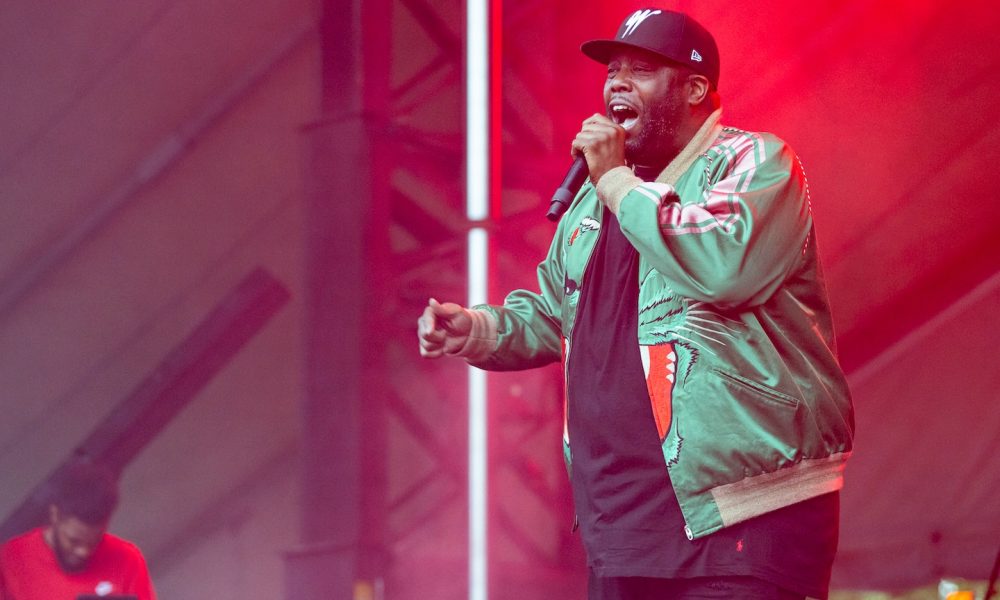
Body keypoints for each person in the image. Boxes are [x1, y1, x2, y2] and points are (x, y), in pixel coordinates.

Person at [418, 7, 855, 600]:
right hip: (622, 525)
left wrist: (618, 182)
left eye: (642, 70)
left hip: (745, 515)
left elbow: (724, 267)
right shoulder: (594, 203)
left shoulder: (754, 163)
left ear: (696, 87)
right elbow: (556, 315)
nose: (616, 84)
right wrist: (475, 329)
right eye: (612, 71)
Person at [0, 460, 156, 600]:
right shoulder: (9, 560)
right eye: (74, 540)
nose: (84, 551)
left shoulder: (128, 561)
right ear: (55, 515)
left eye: (95, 541)